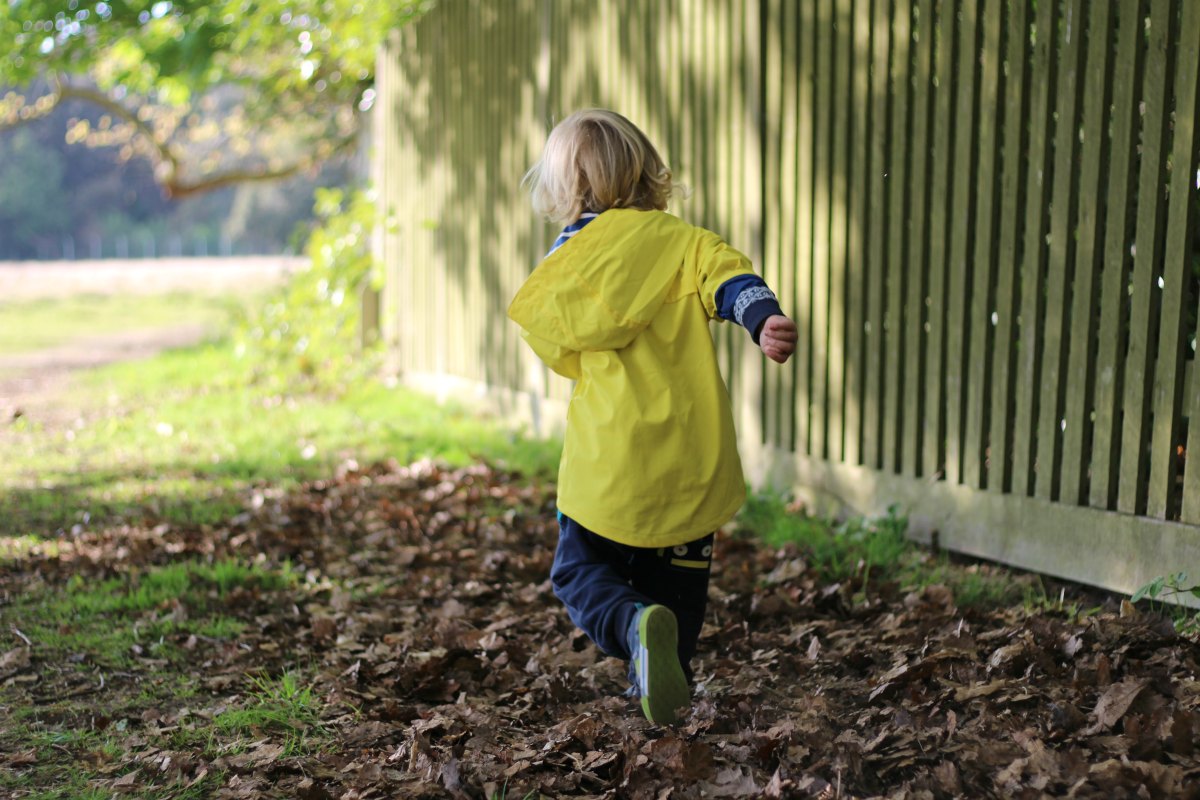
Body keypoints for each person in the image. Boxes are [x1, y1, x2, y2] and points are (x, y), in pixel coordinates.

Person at [508, 109, 798, 725]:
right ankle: (669, 690)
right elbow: (734, 281)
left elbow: (556, 346)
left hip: (607, 470)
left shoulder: (570, 261)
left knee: (578, 571)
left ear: (569, 189)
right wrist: (762, 320)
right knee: (680, 595)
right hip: (689, 465)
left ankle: (633, 628)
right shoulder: (687, 243)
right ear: (648, 174)